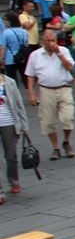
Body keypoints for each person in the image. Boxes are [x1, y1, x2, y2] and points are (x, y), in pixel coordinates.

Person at [24, 27, 75, 160]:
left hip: (64, 87)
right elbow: (30, 76)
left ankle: (66, 141)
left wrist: (59, 53)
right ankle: (55, 148)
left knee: (67, 118)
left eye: (53, 40)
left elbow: (70, 67)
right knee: (48, 121)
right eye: (48, 41)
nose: (51, 43)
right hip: (46, 89)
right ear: (43, 41)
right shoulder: (35, 55)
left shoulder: (63, 50)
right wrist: (31, 94)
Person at [0, 67, 30, 203]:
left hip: (9, 123)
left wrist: (24, 125)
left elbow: (19, 105)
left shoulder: (10, 82)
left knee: (11, 156)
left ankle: (14, 181)